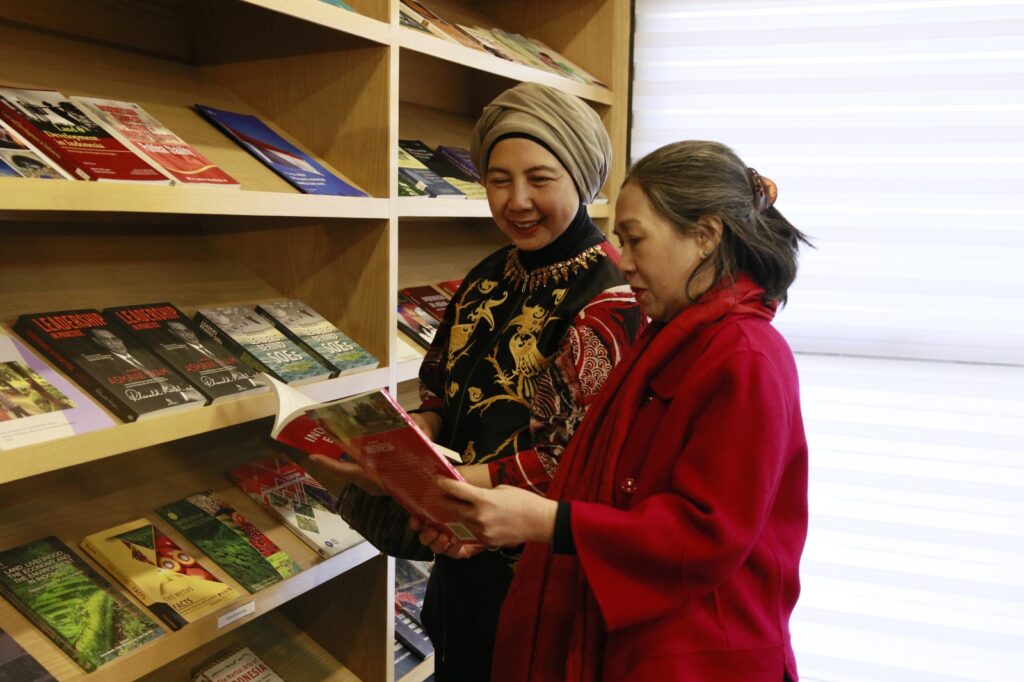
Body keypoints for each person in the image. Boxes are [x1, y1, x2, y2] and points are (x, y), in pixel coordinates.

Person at [422, 140, 811, 681]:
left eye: (635, 240)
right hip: (644, 638)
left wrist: (546, 522)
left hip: (697, 654)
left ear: (705, 236)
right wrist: (505, 523)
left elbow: (706, 534)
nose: (623, 261)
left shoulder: (746, 358)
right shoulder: (671, 334)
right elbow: (607, 479)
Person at [309, 81, 647, 681]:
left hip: (541, 583)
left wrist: (440, 486)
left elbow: (571, 459)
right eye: (498, 179)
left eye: (540, 179)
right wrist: (408, 444)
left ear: (582, 179)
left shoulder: (615, 299)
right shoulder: (487, 276)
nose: (517, 201)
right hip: (458, 565)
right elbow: (440, 387)